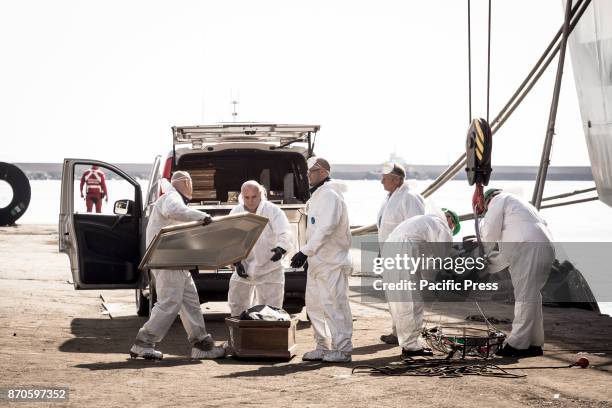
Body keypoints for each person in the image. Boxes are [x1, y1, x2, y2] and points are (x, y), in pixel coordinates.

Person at [130, 171, 224, 360]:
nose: (192, 186)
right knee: (169, 302)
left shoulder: (174, 199)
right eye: (190, 182)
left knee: (191, 302)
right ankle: (144, 343)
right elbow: (177, 212)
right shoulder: (171, 198)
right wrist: (203, 216)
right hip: (167, 260)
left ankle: (202, 346)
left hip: (177, 261)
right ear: (186, 183)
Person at [290, 157, 353, 363]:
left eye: (311, 171)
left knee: (334, 305)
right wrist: (309, 254)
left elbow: (326, 228)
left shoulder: (330, 195)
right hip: (318, 262)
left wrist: (305, 251)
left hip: (332, 262)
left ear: (324, 172)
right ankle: (322, 346)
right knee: (315, 306)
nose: (308, 175)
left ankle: (342, 349)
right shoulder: (318, 195)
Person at [479, 189, 555, 358]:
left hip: (528, 247)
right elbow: (506, 251)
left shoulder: (498, 200)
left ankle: (518, 344)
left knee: (525, 296)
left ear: (487, 199)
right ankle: (534, 343)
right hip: (543, 246)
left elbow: (489, 231)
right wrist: (489, 263)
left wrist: (480, 251)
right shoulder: (522, 206)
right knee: (532, 295)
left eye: (484, 207)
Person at [383, 208, 460, 357]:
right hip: (403, 253)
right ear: (450, 219)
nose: (450, 230)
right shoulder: (440, 224)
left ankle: (409, 343)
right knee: (411, 303)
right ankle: (411, 347)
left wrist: (429, 280)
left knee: (401, 302)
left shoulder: (422, 221)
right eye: (452, 227)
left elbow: (426, 263)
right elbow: (443, 252)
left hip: (391, 251)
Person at [227, 180, 293, 317]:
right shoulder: (236, 212)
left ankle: (268, 337)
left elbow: (285, 231)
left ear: (261, 195)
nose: (250, 201)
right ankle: (239, 336)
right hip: (244, 267)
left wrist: (281, 248)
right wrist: (236, 262)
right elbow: (230, 239)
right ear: (242, 196)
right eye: (247, 197)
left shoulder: (272, 210)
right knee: (237, 303)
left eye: (254, 196)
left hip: (270, 267)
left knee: (271, 310)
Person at [377, 162, 426, 345]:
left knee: (409, 298)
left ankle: (412, 337)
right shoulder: (390, 197)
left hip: (405, 256)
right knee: (394, 296)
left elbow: (417, 227)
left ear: (396, 179)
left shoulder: (410, 197)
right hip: (390, 254)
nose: (381, 181)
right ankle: (397, 331)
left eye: (385, 178)